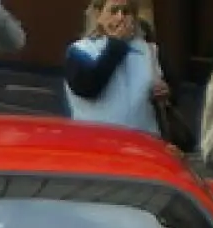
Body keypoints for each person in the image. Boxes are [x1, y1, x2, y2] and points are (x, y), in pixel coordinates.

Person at [62, 0, 166, 135]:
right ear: (99, 15)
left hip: (143, 142)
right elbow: (87, 88)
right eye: (114, 11)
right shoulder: (80, 50)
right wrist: (116, 45)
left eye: (126, 12)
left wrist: (166, 92)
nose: (120, 17)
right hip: (99, 142)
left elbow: (172, 89)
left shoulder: (149, 51)